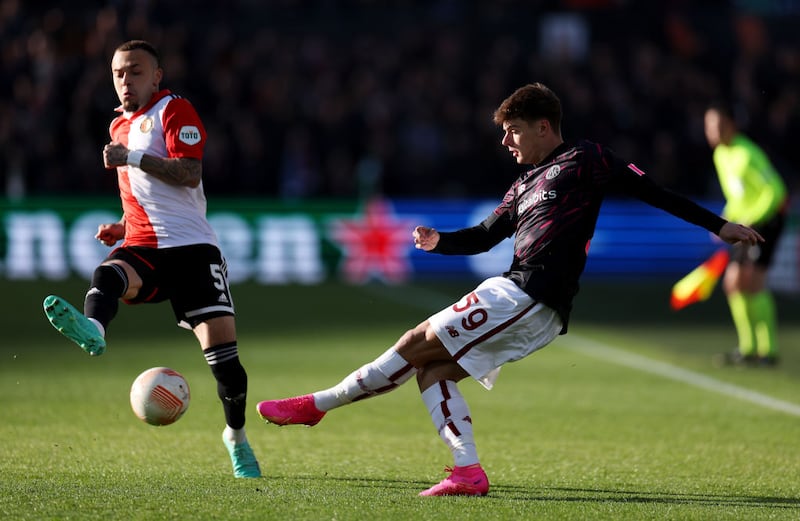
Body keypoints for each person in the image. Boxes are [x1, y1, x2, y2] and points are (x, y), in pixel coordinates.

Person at [256, 83, 764, 496]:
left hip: (531, 293)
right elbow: (484, 236)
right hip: (517, 293)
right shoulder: (522, 185)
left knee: (415, 342)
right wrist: (439, 241)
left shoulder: (587, 159)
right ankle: (467, 471)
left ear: (544, 126)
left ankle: (318, 405)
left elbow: (655, 192)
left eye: (513, 131)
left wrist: (719, 227)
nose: (507, 143)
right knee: (432, 371)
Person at [42, 40, 261, 478]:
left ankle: (235, 437)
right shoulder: (117, 127)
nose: (126, 80)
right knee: (108, 272)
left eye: (136, 71)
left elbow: (189, 172)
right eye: (120, 73)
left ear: (156, 76)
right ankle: (94, 328)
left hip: (194, 250)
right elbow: (144, 196)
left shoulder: (174, 110)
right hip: (145, 244)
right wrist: (122, 227)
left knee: (228, 370)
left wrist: (134, 157)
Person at [704, 102, 788, 367]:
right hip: (746, 222)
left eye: (716, 125)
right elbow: (737, 195)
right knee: (733, 283)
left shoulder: (747, 154)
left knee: (753, 281)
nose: (711, 132)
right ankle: (748, 348)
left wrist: (751, 219)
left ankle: (769, 351)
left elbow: (775, 191)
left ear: (731, 125)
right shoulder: (721, 154)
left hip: (767, 219)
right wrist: (724, 222)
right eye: (708, 126)